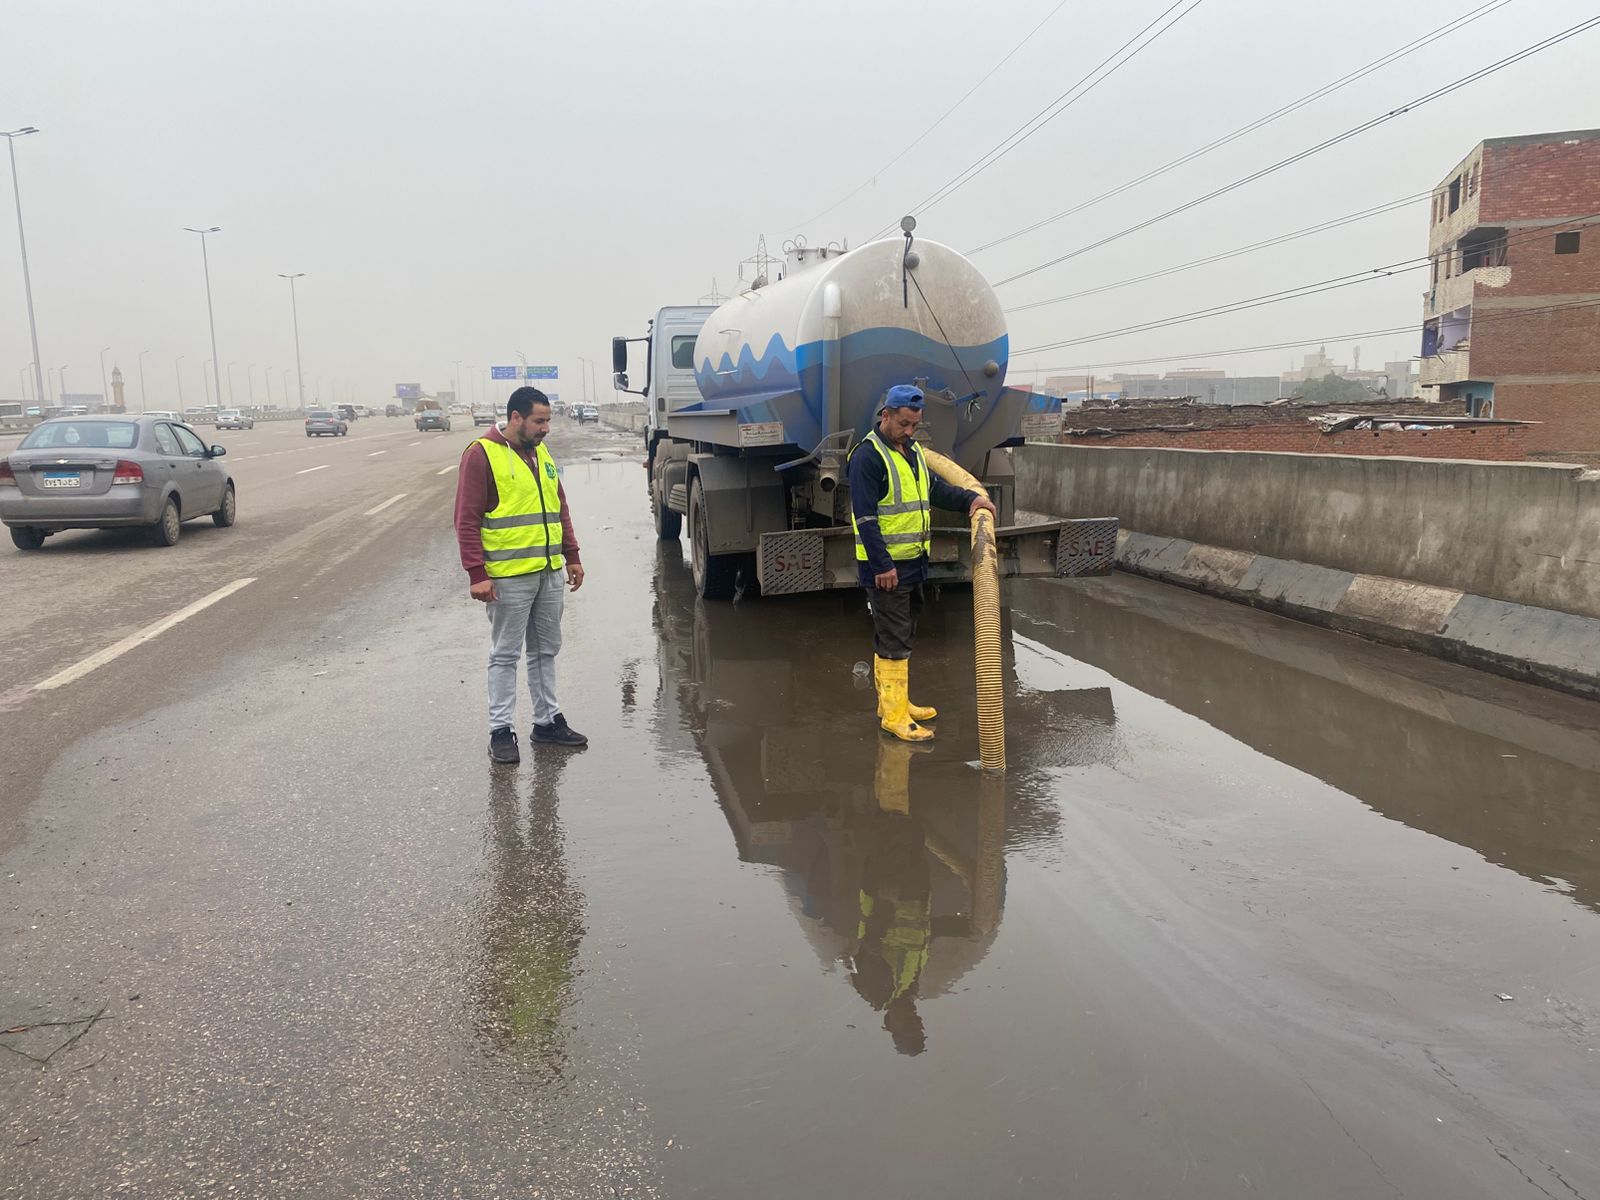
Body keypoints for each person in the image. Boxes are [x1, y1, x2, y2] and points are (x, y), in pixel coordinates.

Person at [847, 384, 996, 742]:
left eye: (915, 425)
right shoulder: (868, 457)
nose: (910, 431)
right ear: (886, 416)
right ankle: (894, 717)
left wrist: (971, 499)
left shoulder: (911, 451)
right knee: (895, 635)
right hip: (887, 567)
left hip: (913, 561)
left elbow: (935, 491)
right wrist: (882, 565)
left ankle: (894, 702)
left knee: (900, 631)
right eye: (904, 424)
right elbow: (865, 518)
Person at [455, 387, 587, 763]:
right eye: (539, 421)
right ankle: (501, 730)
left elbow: (559, 507)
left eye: (548, 420)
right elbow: (466, 519)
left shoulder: (540, 451)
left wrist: (572, 555)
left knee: (546, 650)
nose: (546, 428)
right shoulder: (481, 455)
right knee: (505, 654)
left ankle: (547, 721)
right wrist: (476, 573)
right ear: (516, 418)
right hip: (508, 576)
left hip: (548, 571)